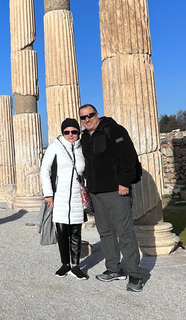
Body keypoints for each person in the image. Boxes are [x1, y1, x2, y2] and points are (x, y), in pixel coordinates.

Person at [79, 104, 143, 292]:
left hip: (116, 190)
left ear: (97, 114)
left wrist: (124, 182)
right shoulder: (84, 137)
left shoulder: (114, 130)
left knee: (125, 232)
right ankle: (114, 269)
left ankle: (135, 275)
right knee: (105, 232)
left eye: (90, 115)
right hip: (96, 192)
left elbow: (128, 157)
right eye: (83, 118)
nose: (87, 119)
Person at [40, 118, 88, 280]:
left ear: (78, 132)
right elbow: (45, 170)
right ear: (62, 133)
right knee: (62, 232)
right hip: (59, 196)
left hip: (76, 196)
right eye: (66, 132)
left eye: (74, 131)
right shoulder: (55, 147)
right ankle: (65, 264)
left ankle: (76, 265)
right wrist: (48, 194)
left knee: (76, 232)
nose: (70, 135)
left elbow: (86, 171)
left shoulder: (83, 148)